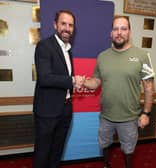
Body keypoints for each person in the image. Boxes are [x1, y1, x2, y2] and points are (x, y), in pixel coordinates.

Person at [83, 16, 155, 168]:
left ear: (129, 32)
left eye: (123, 28)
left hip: (129, 117)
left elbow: (149, 87)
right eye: (116, 29)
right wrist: (81, 81)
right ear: (111, 33)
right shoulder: (102, 56)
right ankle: (106, 165)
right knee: (104, 144)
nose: (119, 32)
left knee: (128, 149)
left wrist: (146, 113)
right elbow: (95, 82)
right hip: (106, 116)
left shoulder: (143, 56)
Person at [32, 10, 82, 168]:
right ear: (55, 25)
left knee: (57, 151)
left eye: (70, 25)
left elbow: (63, 79)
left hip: (65, 109)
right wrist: (73, 80)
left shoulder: (68, 50)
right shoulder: (44, 46)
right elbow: (45, 78)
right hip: (47, 111)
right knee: (42, 153)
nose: (67, 28)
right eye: (63, 24)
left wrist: (74, 83)